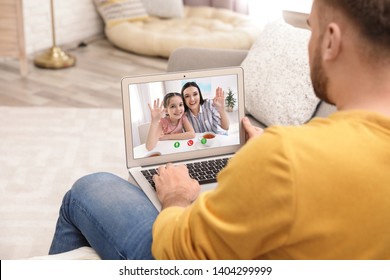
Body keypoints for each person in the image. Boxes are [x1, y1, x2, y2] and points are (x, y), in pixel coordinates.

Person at [49, 0, 390, 259]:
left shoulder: (285, 155)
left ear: (330, 41)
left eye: (311, 30)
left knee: (89, 189)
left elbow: (179, 254)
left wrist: (176, 198)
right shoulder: (292, 154)